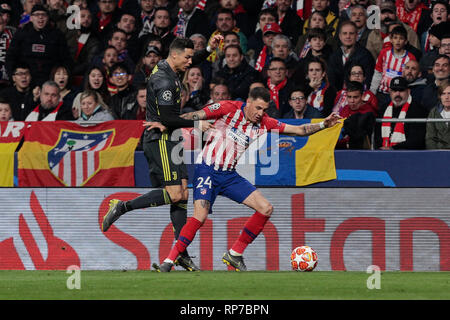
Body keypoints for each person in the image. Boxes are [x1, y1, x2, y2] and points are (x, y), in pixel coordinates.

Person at [151, 87, 342, 272]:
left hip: (228, 175)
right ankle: (169, 260)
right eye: (258, 108)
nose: (261, 113)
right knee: (199, 217)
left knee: (265, 208)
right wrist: (193, 124)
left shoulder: (265, 123)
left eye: (264, 110)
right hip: (207, 169)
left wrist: (324, 124)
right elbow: (189, 116)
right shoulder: (227, 108)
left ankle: (234, 253)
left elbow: (300, 130)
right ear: (248, 102)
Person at [101, 38, 213, 272]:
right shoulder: (164, 81)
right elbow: (168, 119)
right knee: (174, 195)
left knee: (182, 195)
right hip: (160, 139)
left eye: (191, 58)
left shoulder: (165, 66)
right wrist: (197, 124)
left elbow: (170, 119)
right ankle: (122, 207)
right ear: (175, 56)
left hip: (171, 137)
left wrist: (210, 49)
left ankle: (181, 254)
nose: (191, 62)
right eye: (187, 58)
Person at [6, 4, 72, 86]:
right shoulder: (21, 34)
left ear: (48, 18)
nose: (40, 17)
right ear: (31, 18)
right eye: (37, 15)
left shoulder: (57, 35)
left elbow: (66, 59)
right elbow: (10, 58)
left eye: (43, 15)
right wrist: (14, 80)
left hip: (50, 80)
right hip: (26, 80)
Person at [374, 76, 427, 150]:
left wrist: (393, 148)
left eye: (401, 90)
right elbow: (377, 136)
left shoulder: (418, 110)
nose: (397, 94)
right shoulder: (383, 109)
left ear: (408, 92)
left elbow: (416, 140)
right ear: (390, 92)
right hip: (383, 154)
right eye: (394, 90)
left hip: (408, 155)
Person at [370, 25, 416, 107]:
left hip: (399, 95)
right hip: (382, 93)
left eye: (401, 38)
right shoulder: (384, 53)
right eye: (395, 38)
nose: (398, 41)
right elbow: (378, 73)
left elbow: (410, 79)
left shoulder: (410, 58)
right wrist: (372, 92)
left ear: (405, 41)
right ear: (391, 40)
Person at [326, 20, 374, 91]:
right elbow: (331, 81)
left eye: (351, 33)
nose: (348, 36)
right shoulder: (334, 56)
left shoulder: (365, 56)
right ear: (340, 36)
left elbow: (368, 81)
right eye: (345, 33)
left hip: (358, 95)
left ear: (356, 36)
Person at [65, 7, 101, 84]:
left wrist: (70, 71)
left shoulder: (94, 40)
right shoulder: (66, 35)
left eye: (89, 17)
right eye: (82, 16)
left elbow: (89, 62)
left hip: (81, 76)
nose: (86, 19)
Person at [337, 81, 376, 149]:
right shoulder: (345, 109)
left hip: (360, 149)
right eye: (349, 97)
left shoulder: (368, 111)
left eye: (355, 97)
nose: (352, 101)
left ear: (362, 96)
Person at [425, 82, 450, 149]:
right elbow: (430, 138)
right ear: (440, 96)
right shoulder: (434, 112)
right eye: (443, 94)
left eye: (449, 93)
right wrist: (436, 154)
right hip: (439, 153)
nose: (447, 97)